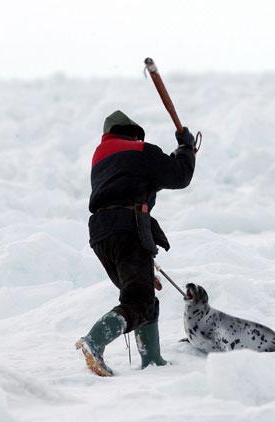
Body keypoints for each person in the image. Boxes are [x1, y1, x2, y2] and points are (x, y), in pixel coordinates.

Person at [76, 110, 196, 376]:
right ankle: (94, 341)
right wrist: (186, 148)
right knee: (138, 301)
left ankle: (152, 360)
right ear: (134, 134)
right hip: (127, 228)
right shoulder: (141, 153)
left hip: (101, 234)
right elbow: (179, 175)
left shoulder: (101, 159)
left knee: (144, 299)